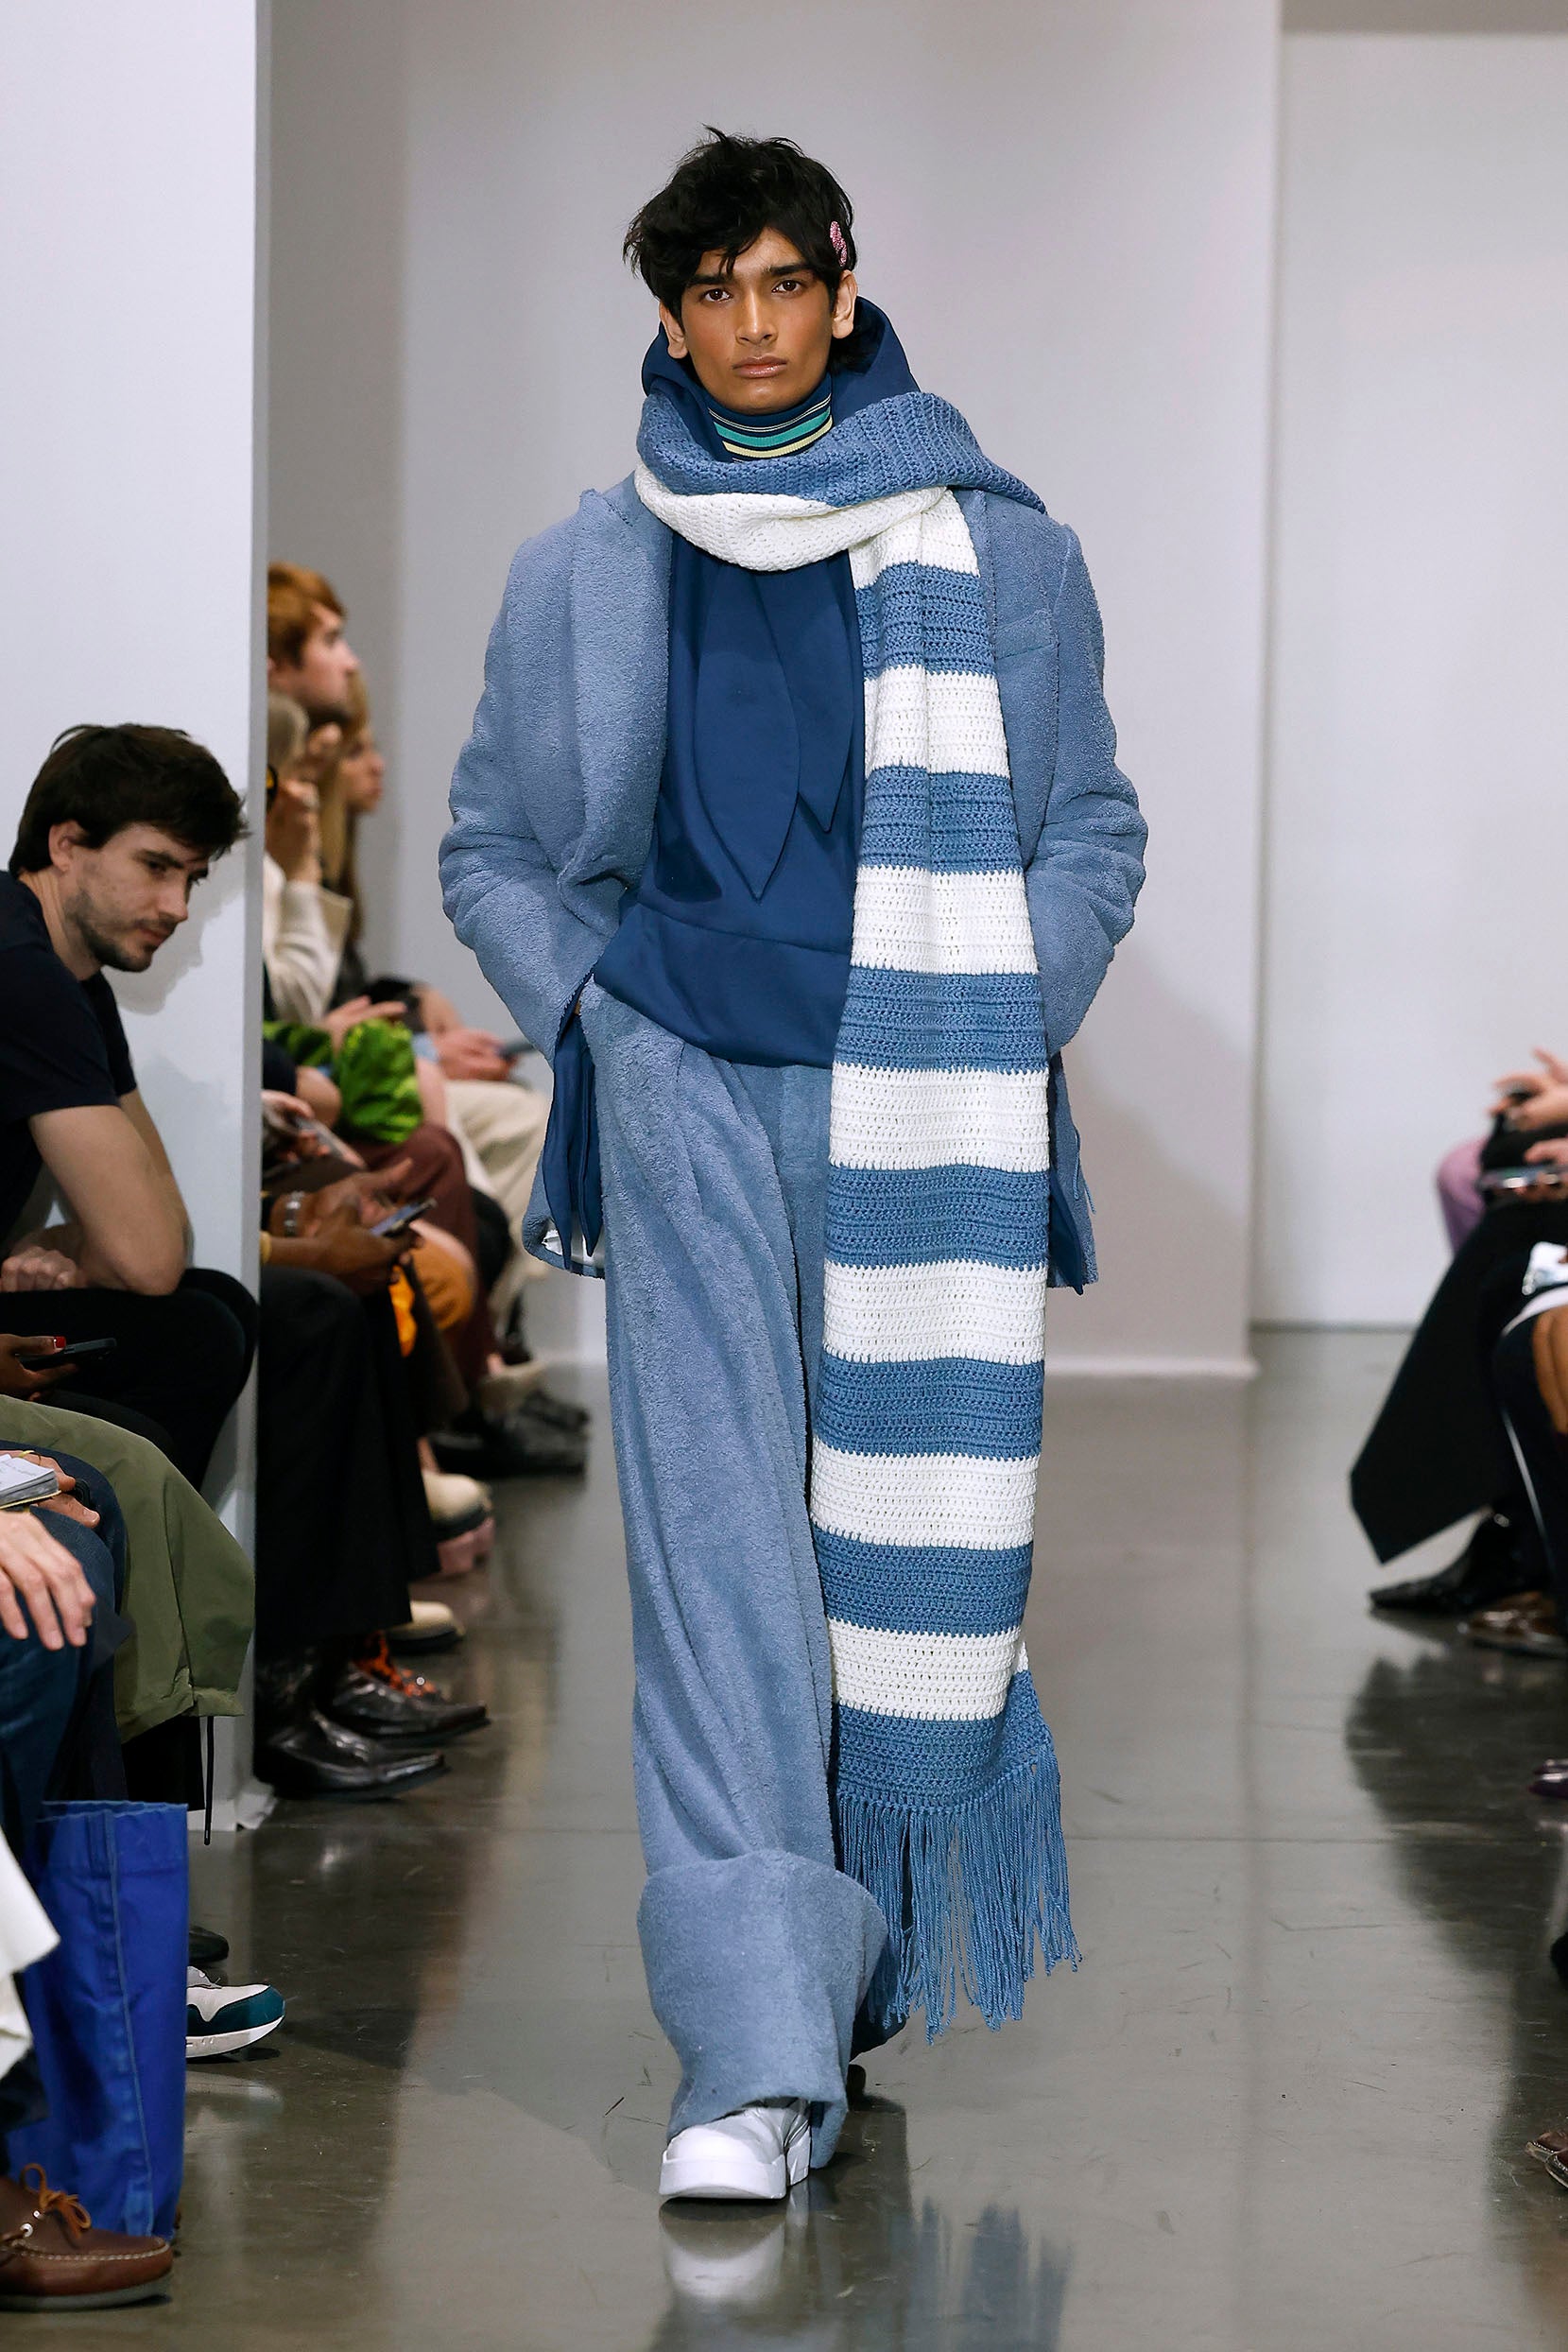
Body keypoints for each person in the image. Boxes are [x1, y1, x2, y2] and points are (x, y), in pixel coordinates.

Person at [442, 131, 1146, 2201]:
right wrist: (598, 1015)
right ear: (667, 319)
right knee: (717, 1567)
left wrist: (1001, 1007)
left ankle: (835, 1951)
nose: (748, 325)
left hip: (921, 1091)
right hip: (683, 1091)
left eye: (780, 282)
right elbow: (494, 841)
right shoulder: (587, 562)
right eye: (708, 292)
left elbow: (1089, 826)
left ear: (840, 289)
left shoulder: (1000, 549)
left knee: (886, 1557)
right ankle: (749, 2055)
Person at [0, 725, 255, 1488]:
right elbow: (145, 1259)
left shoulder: (74, 982)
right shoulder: (22, 972)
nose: (177, 907)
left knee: (218, 1304)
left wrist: (57, 1247)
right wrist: (90, 1246)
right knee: (193, 1333)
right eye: (155, 866)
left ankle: (129, 1551)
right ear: (66, 844)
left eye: (192, 879)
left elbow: (160, 1224)